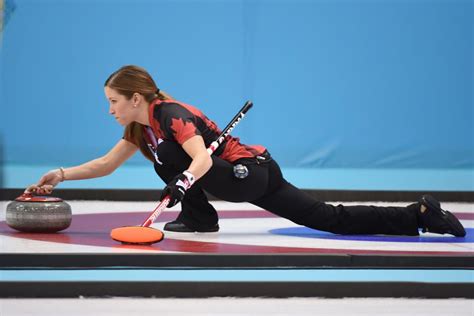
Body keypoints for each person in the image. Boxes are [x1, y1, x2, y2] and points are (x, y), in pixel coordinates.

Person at [26, 65, 466, 237]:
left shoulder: (169, 114)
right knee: (327, 219)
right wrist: (60, 175)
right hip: (250, 177)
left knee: (177, 159)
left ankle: (200, 216)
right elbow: (106, 164)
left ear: (136, 99)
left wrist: (181, 184)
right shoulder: (143, 130)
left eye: (113, 102)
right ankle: (419, 214)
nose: (110, 110)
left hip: (247, 172)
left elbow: (198, 158)